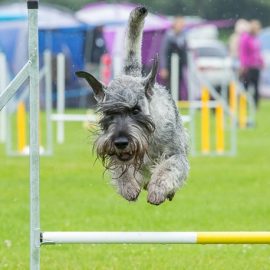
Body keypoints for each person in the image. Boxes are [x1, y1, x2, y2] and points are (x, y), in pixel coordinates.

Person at [159, 16, 187, 100]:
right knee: (169, 87)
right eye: (180, 24)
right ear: (175, 25)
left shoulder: (183, 36)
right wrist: (163, 67)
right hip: (169, 66)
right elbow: (163, 52)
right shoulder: (169, 36)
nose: (182, 26)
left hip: (179, 66)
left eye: (183, 24)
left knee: (178, 86)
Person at [239, 20, 264, 108]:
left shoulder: (255, 39)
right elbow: (243, 53)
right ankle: (244, 104)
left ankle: (255, 105)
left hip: (256, 66)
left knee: (256, 87)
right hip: (248, 67)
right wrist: (244, 65)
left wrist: (261, 62)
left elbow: (258, 53)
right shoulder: (246, 38)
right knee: (246, 86)